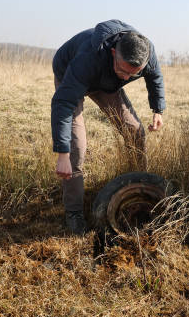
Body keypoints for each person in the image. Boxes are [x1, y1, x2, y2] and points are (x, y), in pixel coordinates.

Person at [51, 19, 165, 234]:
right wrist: (62, 153)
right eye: (123, 71)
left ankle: (137, 189)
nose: (127, 77)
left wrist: (157, 110)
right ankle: (74, 213)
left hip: (106, 82)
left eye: (133, 74)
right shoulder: (87, 58)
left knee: (135, 131)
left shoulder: (146, 52)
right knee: (76, 148)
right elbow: (63, 104)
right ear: (113, 52)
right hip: (71, 74)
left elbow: (155, 76)